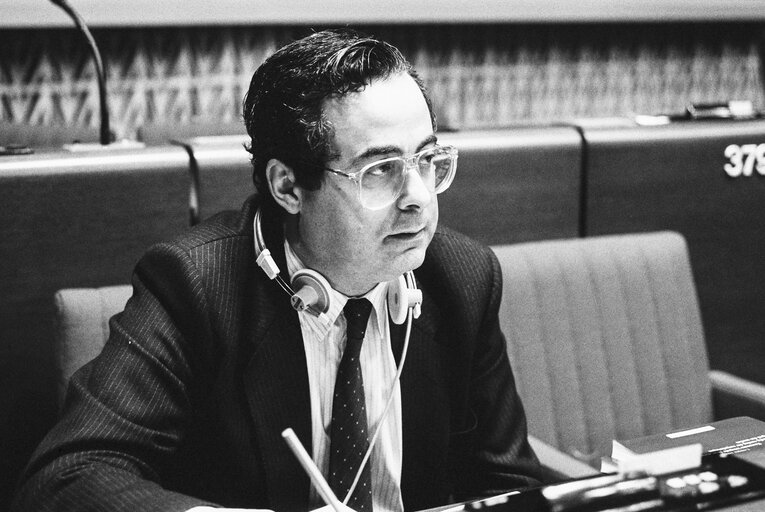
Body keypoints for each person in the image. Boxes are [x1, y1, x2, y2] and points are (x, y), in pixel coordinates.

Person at [12, 29, 546, 512]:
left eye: (428, 160)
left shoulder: (463, 279)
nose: (418, 199)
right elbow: (67, 477)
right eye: (381, 170)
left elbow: (505, 482)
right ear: (288, 187)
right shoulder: (196, 285)